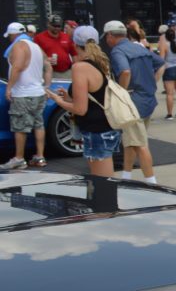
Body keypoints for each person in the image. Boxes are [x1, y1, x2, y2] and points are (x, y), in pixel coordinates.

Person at [46, 26, 121, 177]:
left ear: (74, 44)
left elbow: (80, 109)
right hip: (105, 127)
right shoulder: (101, 62)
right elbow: (95, 95)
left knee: (102, 185)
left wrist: (57, 100)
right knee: (104, 182)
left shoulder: (80, 67)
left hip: (96, 131)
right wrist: (67, 97)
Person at [106, 20, 165, 183]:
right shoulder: (139, 48)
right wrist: (152, 82)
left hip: (132, 103)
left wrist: (121, 93)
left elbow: (125, 71)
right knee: (131, 141)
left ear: (110, 35)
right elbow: (160, 63)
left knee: (139, 143)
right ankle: (127, 176)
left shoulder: (118, 52)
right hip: (147, 100)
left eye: (106, 36)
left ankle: (151, 182)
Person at [1, 22, 51, 169]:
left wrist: (9, 88)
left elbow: (17, 66)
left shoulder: (19, 46)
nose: (9, 39)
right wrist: (46, 87)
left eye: (10, 36)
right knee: (38, 124)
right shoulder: (36, 46)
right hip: (38, 92)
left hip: (23, 93)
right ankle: (40, 157)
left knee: (20, 127)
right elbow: (48, 65)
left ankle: (19, 158)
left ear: (13, 34)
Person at [33, 14, 76, 80]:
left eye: (59, 26)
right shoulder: (39, 38)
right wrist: (45, 60)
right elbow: (33, 57)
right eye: (54, 26)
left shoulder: (66, 37)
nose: (57, 28)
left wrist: (75, 69)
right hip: (47, 72)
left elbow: (74, 54)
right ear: (48, 24)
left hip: (66, 72)